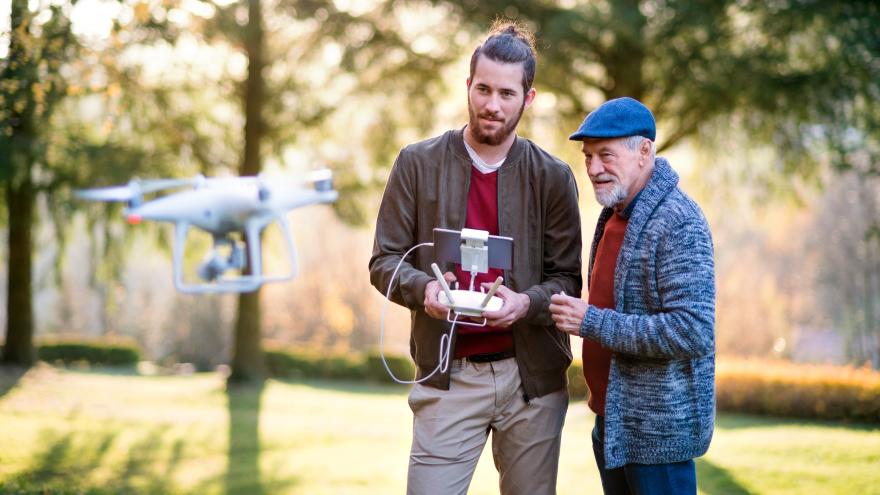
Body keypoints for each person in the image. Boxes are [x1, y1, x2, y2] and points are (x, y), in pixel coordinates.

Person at [368, 20, 582, 495]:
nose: (492, 104)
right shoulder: (417, 163)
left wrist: (525, 303)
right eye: (483, 89)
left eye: (507, 94)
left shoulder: (552, 177)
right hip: (448, 375)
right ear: (467, 85)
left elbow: (568, 279)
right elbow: (384, 261)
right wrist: (423, 289)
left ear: (528, 98)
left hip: (531, 382)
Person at [549, 97, 716, 495]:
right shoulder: (614, 214)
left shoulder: (678, 220)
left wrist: (591, 322)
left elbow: (693, 331)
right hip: (613, 426)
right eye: (588, 156)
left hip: (658, 442)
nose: (592, 168)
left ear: (644, 151)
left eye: (605, 155)